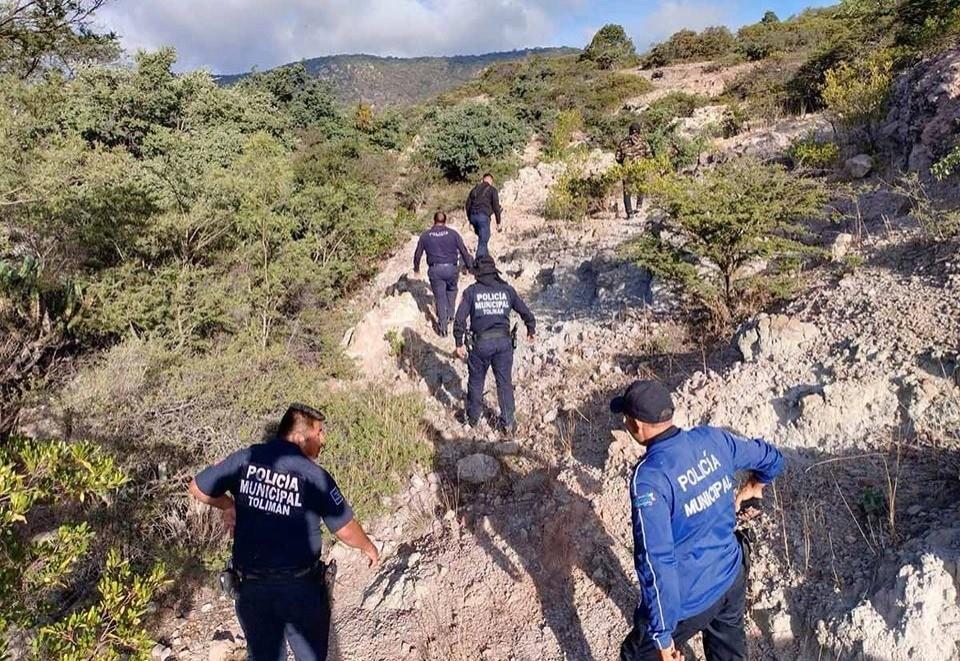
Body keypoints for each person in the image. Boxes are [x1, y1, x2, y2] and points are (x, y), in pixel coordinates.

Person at [188, 403, 380, 661]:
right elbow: (345, 530)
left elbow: (198, 487)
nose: (323, 440)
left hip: (252, 590)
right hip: (300, 591)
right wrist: (368, 546)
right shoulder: (314, 476)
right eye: (319, 433)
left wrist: (228, 504)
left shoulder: (245, 458)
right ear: (301, 437)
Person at [611, 380, 784, 661]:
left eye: (626, 418)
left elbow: (656, 562)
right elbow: (772, 458)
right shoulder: (712, 439)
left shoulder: (649, 479)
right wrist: (757, 484)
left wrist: (664, 640)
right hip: (731, 576)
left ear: (636, 425)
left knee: (636, 656)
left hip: (689, 600)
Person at [453, 255, 535, 434]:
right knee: (504, 382)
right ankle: (508, 424)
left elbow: (459, 320)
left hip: (480, 344)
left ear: (478, 274)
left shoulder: (471, 292)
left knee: (476, 381)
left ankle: (473, 419)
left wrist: (459, 342)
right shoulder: (507, 290)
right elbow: (525, 312)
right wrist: (531, 328)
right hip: (504, 344)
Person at [413, 211, 474, 337]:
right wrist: (469, 266)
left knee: (440, 298)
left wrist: (416, 269)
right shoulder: (453, 234)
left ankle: (443, 328)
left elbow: (418, 254)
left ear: (433, 220)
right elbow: (463, 250)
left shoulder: (426, 235)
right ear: (445, 221)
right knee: (452, 290)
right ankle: (451, 315)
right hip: (452, 269)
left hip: (435, 270)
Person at [615, 123, 652, 219]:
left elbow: (617, 158)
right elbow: (649, 156)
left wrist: (624, 162)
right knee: (641, 187)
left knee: (627, 191)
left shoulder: (623, 143)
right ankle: (639, 207)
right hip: (640, 168)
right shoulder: (644, 142)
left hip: (627, 169)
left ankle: (629, 212)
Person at [464, 172, 503, 258]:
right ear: (491, 181)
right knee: (484, 238)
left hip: (473, 216)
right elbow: (496, 207)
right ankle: (480, 260)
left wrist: (470, 220)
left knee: (481, 237)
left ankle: (485, 256)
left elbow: (467, 205)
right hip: (483, 217)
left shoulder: (474, 190)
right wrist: (498, 222)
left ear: (482, 180)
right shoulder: (492, 190)